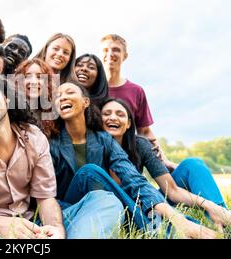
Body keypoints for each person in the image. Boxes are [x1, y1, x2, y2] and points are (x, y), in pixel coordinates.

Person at [0, 71, 124, 239]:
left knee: (105, 200)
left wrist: (56, 230)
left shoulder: (33, 137)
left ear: (6, 97)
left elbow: (45, 198)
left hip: (33, 227)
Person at [49, 80, 218, 238]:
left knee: (116, 189)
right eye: (57, 96)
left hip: (107, 205)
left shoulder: (104, 140)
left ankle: (184, 223)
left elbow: (133, 178)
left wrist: (176, 217)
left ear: (85, 102)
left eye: (69, 92)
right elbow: (47, 195)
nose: (62, 97)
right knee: (90, 172)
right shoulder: (51, 144)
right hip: (71, 208)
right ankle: (162, 230)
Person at [100, 98, 231, 232]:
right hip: (117, 213)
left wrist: (209, 205)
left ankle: (223, 219)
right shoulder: (91, 148)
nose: (113, 117)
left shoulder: (140, 145)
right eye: (106, 113)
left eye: (120, 114)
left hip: (150, 204)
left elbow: (172, 190)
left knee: (192, 165)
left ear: (128, 124)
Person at [100, 34, 177, 171]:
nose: (110, 54)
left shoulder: (136, 91)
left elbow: (144, 131)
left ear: (125, 56)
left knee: (192, 166)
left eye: (116, 50)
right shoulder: (91, 89)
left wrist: (164, 160)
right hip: (99, 158)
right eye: (105, 50)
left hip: (129, 160)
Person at [14, 58, 57, 138]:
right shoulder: (10, 111)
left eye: (39, 77)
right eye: (27, 76)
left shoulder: (51, 113)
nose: (33, 81)